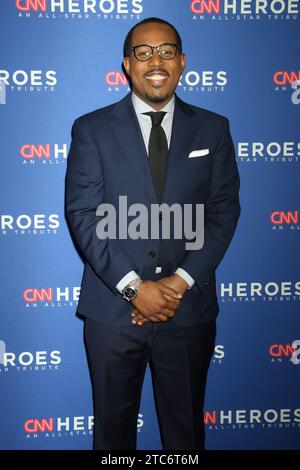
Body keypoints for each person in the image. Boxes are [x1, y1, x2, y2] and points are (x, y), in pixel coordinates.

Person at [65, 17, 240, 450]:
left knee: (185, 437)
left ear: (182, 61)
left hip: (188, 311)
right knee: (113, 437)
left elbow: (222, 212)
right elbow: (84, 214)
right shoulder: (92, 129)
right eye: (143, 52)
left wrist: (176, 285)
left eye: (166, 51)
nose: (155, 61)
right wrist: (134, 289)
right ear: (127, 64)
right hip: (111, 312)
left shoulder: (213, 129)